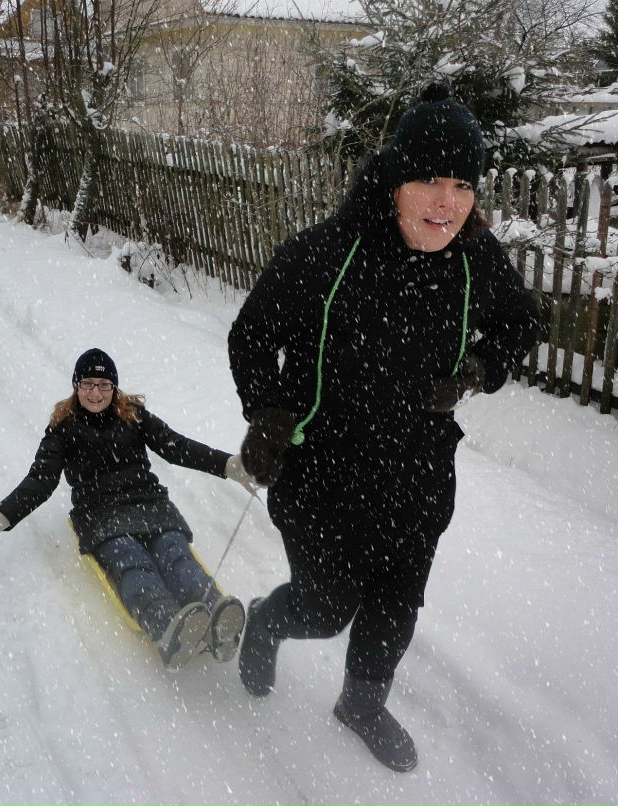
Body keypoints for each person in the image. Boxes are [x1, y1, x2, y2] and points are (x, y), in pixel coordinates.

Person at [227, 84, 542, 771]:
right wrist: (268, 411)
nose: (446, 202)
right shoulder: (325, 254)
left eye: (463, 184)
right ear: (395, 180)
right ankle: (268, 621)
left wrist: (478, 369)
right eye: (430, 180)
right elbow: (251, 336)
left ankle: (362, 703)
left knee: (396, 606)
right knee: (324, 608)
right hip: (323, 478)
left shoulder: (474, 261)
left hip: (418, 474)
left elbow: (523, 322)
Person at [0, 347, 256, 672]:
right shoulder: (63, 428)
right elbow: (41, 479)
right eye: (88, 384)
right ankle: (166, 626)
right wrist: (3, 515)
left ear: (114, 387)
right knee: (133, 563)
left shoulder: (133, 415)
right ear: (76, 386)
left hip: (150, 504)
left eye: (104, 385)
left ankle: (216, 616)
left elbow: (175, 446)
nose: (95, 393)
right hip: (101, 514)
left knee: (174, 552)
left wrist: (226, 464)